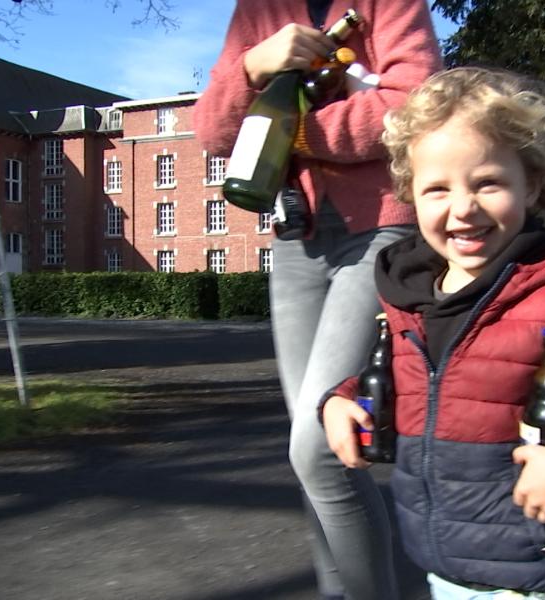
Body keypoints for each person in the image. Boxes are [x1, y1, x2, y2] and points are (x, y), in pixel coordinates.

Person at [321, 67, 545, 599]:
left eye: (487, 183)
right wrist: (341, 400)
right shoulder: (411, 292)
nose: (463, 208)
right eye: (437, 189)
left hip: (526, 562)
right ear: (410, 196)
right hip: (439, 557)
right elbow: (404, 376)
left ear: (530, 184)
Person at [192, 2, 441, 599]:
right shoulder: (258, 11)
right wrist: (253, 66)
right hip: (295, 239)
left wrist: (294, 132)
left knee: (318, 451)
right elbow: (213, 132)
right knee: (314, 453)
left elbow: (415, 107)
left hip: (380, 229)